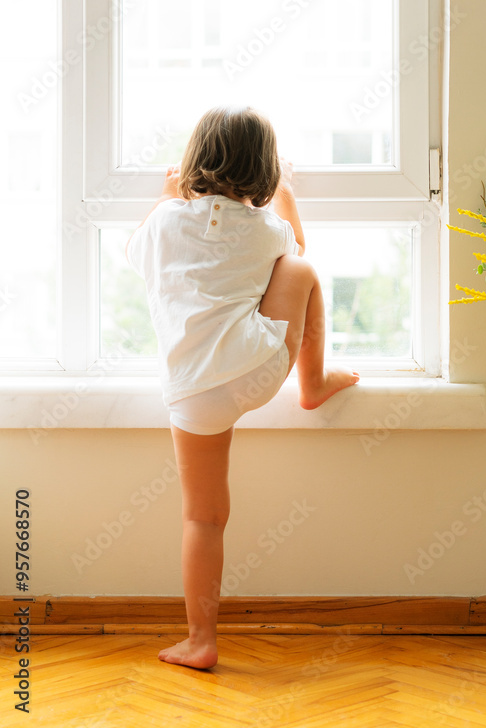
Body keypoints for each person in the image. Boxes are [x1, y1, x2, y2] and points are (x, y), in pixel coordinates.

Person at [125, 104, 359, 670]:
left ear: (191, 162)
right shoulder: (268, 227)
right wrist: (287, 196)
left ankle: (200, 640)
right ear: (265, 170)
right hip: (257, 371)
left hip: (191, 393)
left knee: (202, 517)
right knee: (302, 272)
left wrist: (165, 196)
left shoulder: (163, 222)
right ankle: (314, 381)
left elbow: (136, 253)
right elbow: (294, 254)